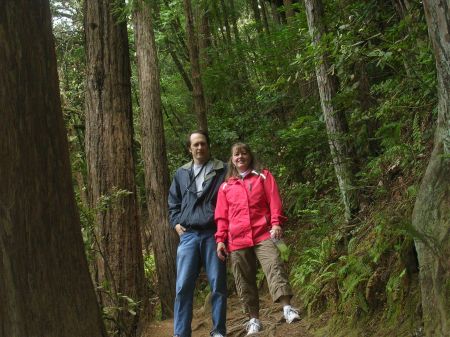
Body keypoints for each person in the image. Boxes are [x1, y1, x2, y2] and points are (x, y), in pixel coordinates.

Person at [214, 142, 300, 335]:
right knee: (243, 279)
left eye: (244, 153)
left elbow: (274, 200)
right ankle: (253, 320)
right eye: (236, 154)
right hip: (236, 239)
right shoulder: (226, 186)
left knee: (274, 265)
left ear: (250, 156)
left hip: (263, 233)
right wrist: (220, 239)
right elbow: (221, 216)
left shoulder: (263, 176)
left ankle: (287, 308)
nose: (240, 157)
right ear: (232, 159)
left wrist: (276, 222)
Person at [168, 130, 227, 337]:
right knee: (183, 285)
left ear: (208, 146)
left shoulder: (222, 170)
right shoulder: (181, 173)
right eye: (195, 145)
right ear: (190, 148)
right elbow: (173, 204)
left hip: (213, 233)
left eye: (203, 144)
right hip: (189, 235)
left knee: (217, 284)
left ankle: (218, 331)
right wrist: (176, 224)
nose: (199, 147)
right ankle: (181, 333)